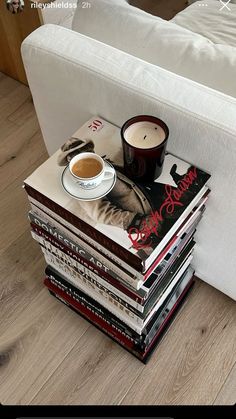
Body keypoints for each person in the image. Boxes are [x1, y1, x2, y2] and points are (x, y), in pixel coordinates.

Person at [57, 137, 199, 255]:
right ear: (70, 159)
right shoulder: (81, 185)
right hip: (150, 223)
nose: (84, 153)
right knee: (171, 252)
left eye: (85, 148)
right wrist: (138, 222)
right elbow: (101, 213)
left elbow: (129, 180)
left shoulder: (103, 164)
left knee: (186, 231)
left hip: (160, 204)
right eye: (76, 153)